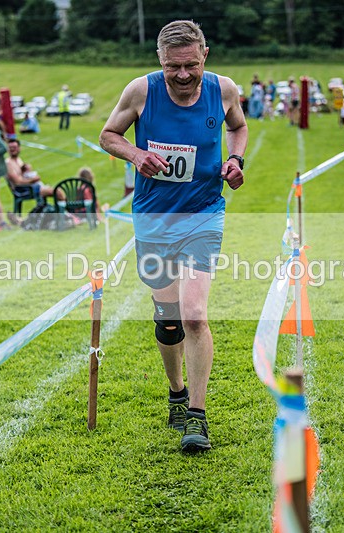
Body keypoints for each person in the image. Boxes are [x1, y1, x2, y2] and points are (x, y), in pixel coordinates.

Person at [99, 19, 247, 453]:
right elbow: (108, 135)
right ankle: (177, 393)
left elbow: (238, 127)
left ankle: (197, 416)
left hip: (204, 213)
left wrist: (235, 160)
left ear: (204, 55)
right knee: (168, 318)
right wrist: (136, 154)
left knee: (194, 315)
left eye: (190, 65)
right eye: (172, 67)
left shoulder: (224, 90)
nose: (182, 75)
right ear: (160, 61)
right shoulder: (140, 92)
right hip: (154, 217)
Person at [5, 138, 54, 224]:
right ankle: (68, 212)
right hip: (24, 190)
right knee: (55, 192)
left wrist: (27, 170)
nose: (12, 150)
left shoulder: (19, 160)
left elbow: (23, 176)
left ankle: (64, 212)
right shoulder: (8, 163)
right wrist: (33, 179)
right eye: (10, 148)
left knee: (55, 191)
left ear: (19, 148)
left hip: (30, 187)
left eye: (14, 147)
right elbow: (17, 182)